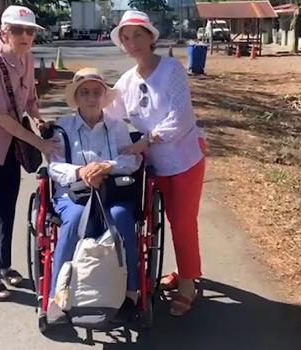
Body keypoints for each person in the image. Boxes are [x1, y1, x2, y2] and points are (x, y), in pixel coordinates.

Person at [105, 10, 207, 316]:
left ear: (151, 37)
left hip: (184, 157)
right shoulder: (125, 82)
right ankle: (183, 268)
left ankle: (188, 282)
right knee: (149, 221)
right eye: (126, 37)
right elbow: (109, 118)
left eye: (137, 35)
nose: (132, 42)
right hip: (151, 165)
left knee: (182, 221)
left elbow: (180, 117)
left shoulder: (171, 70)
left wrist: (146, 140)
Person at [0, 5, 59, 301]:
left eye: (30, 31)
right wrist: (38, 142)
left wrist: (39, 119)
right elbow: (0, 117)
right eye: (18, 30)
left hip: (12, 145)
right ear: (4, 32)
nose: (25, 36)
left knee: (8, 208)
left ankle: (4, 265)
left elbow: (29, 100)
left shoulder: (26, 59)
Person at [48, 67, 142, 317]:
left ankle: (131, 291)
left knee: (121, 218)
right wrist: (82, 172)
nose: (91, 98)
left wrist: (106, 166)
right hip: (73, 194)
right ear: (76, 97)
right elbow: (54, 166)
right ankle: (55, 296)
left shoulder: (117, 126)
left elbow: (133, 160)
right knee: (77, 219)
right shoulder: (62, 127)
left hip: (112, 192)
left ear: (104, 96)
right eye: (85, 92)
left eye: (96, 92)